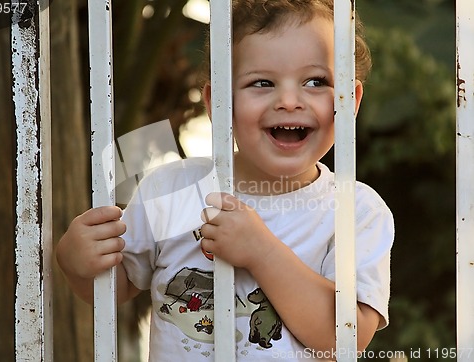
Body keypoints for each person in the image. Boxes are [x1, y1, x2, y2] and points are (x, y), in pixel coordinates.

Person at [56, 0, 394, 360]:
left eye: (316, 81)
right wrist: (77, 263)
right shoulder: (171, 189)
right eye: (262, 82)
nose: (290, 101)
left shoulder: (356, 211)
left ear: (350, 100)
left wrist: (262, 252)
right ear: (218, 102)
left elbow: (345, 340)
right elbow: (117, 287)